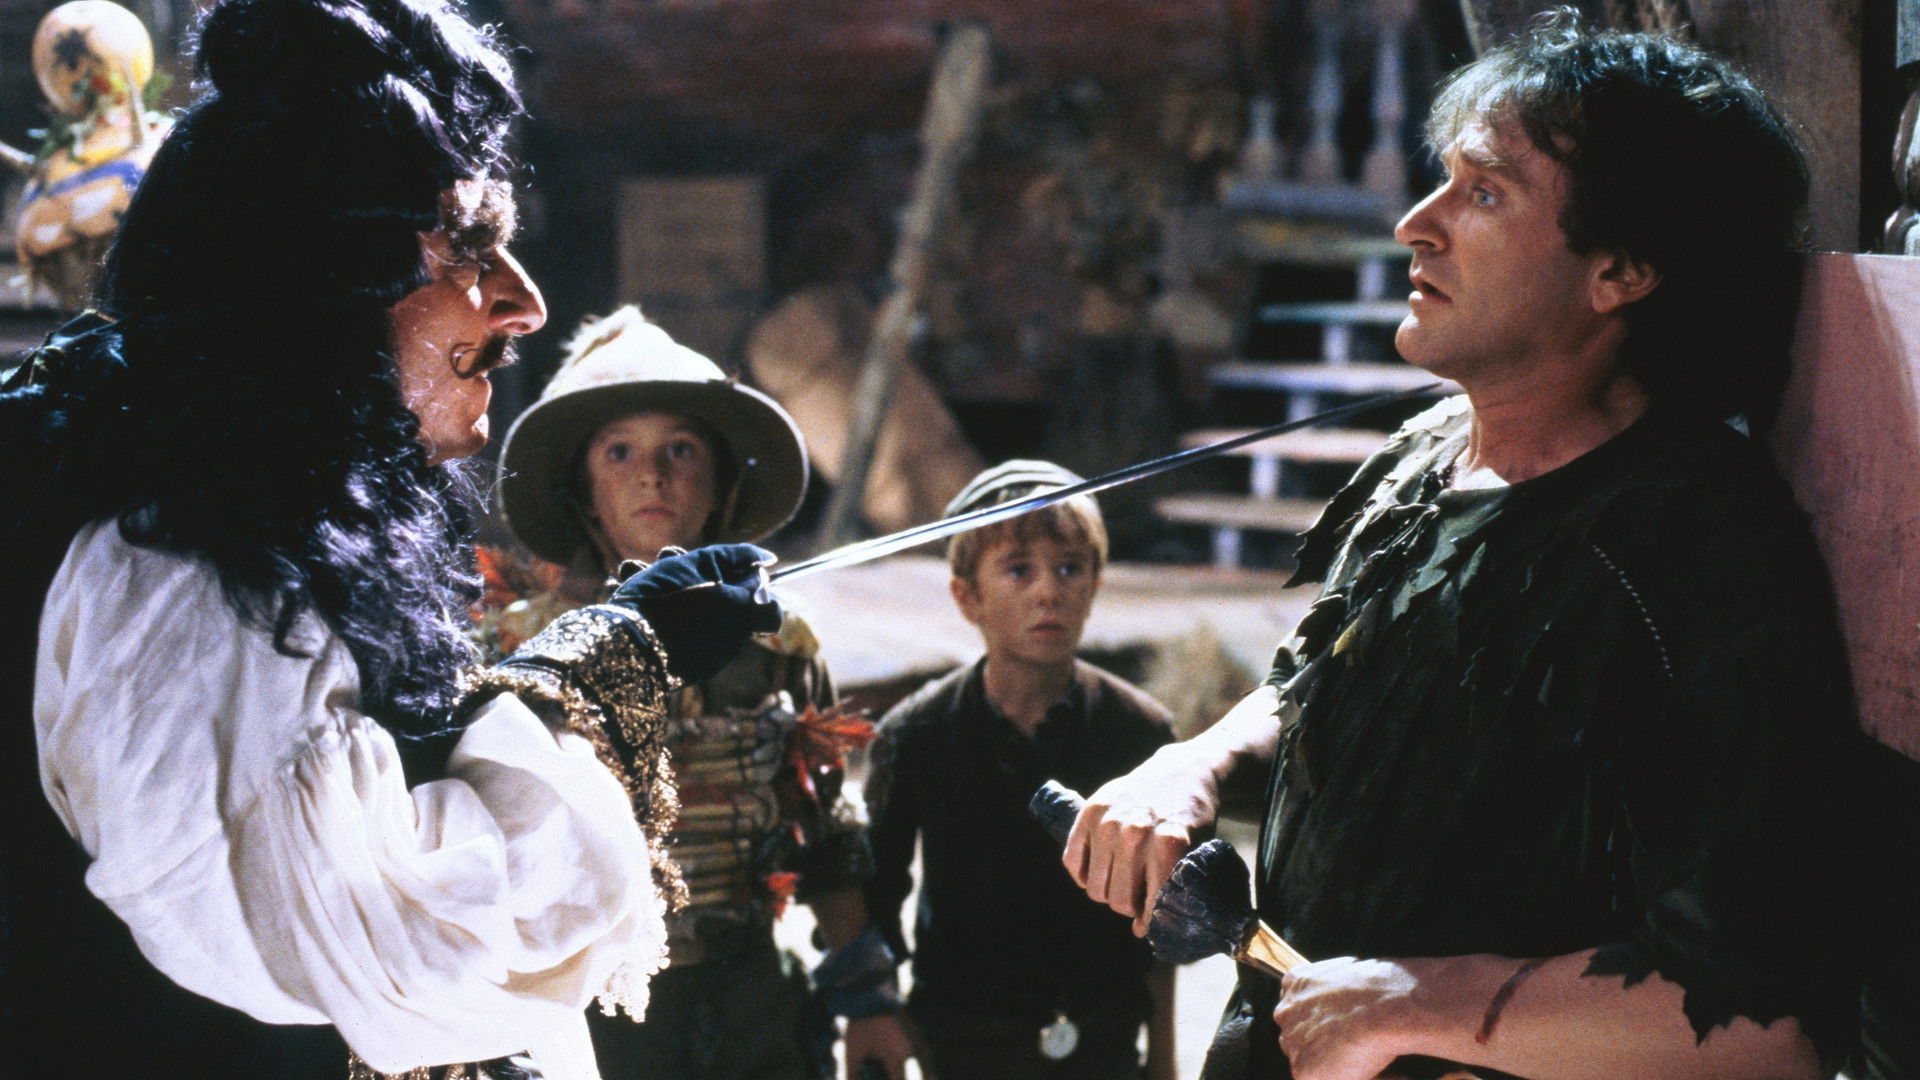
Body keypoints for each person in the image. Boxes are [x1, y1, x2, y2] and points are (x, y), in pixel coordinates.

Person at [1061, 11, 1861, 1080]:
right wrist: (1192, 763)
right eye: (1444, 180)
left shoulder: (1697, 553)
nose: (1414, 224)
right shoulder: (1428, 454)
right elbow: (1325, 685)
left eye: (1484, 194)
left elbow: (1771, 1026)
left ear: (1622, 268)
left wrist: (1427, 1002)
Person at [0, 2, 777, 1077]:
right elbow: (403, 939)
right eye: (470, 252)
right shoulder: (185, 573)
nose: (524, 305)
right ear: (321, 284)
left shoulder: (264, 508)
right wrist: (598, 670)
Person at [490, 305, 914, 1080]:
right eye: (619, 451)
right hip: (589, 1003)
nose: (652, 475)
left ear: (721, 484)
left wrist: (869, 1000)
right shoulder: (525, 651)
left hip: (748, 992)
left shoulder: (778, 643)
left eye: (681, 450)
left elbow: (825, 825)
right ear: (584, 491)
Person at [860, 460, 1179, 1080]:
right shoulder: (915, 735)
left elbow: (1162, 921)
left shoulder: (1141, 733)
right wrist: (879, 1020)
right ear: (968, 597)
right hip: (962, 1040)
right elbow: (877, 896)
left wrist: (1164, 1061)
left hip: (1101, 1038)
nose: (1048, 592)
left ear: (1095, 586)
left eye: (1070, 568)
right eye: (1018, 570)